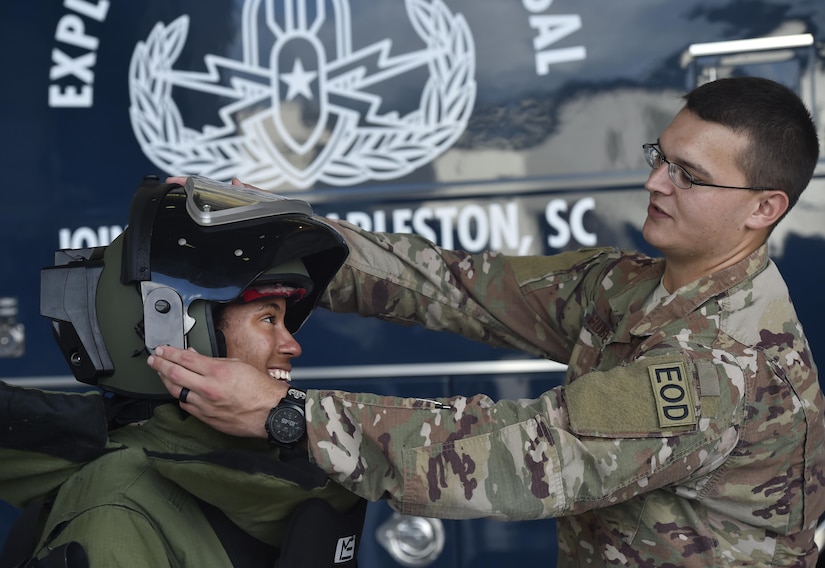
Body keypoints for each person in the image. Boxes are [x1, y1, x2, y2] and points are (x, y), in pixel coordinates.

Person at [148, 75, 825, 567]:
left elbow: (527, 457)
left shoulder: (722, 362)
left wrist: (289, 415)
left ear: (763, 208)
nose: (654, 184)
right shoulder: (627, 285)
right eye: (660, 157)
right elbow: (449, 286)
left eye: (689, 175)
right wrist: (281, 228)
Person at [0, 176, 365, 567]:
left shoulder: (255, 466)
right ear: (170, 333)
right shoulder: (119, 511)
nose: (292, 345)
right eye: (268, 319)